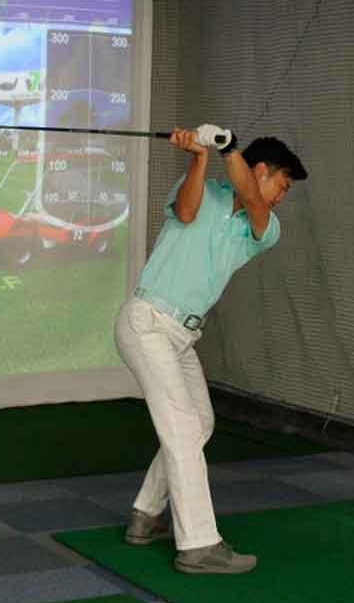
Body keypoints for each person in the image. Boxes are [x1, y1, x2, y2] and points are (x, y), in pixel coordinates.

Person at [115, 124, 308, 574]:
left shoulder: (266, 226)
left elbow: (253, 199)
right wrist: (200, 157)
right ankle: (199, 545)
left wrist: (226, 146)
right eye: (282, 184)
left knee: (199, 422)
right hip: (147, 322)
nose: (282, 196)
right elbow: (185, 212)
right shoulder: (204, 190)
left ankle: (146, 514)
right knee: (183, 430)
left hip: (182, 336)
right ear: (262, 170)